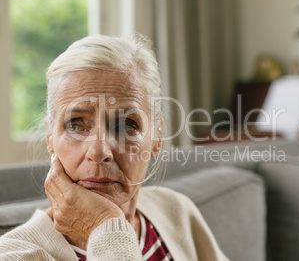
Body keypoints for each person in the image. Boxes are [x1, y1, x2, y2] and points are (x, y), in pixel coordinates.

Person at [0, 35, 228, 261]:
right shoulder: (13, 255)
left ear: (157, 137)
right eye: (75, 125)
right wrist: (105, 226)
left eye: (127, 125)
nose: (99, 151)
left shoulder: (175, 211)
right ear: (50, 138)